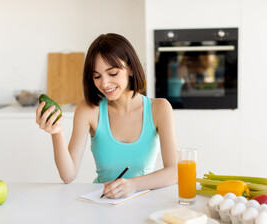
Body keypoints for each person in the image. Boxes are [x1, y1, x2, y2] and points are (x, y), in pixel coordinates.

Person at [36, 33, 177, 199]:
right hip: (102, 203)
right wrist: (56, 132)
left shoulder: (159, 108)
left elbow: (175, 172)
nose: (104, 84)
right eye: (97, 76)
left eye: (113, 73)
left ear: (130, 68)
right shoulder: (89, 109)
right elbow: (68, 175)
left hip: (143, 202)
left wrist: (132, 185)